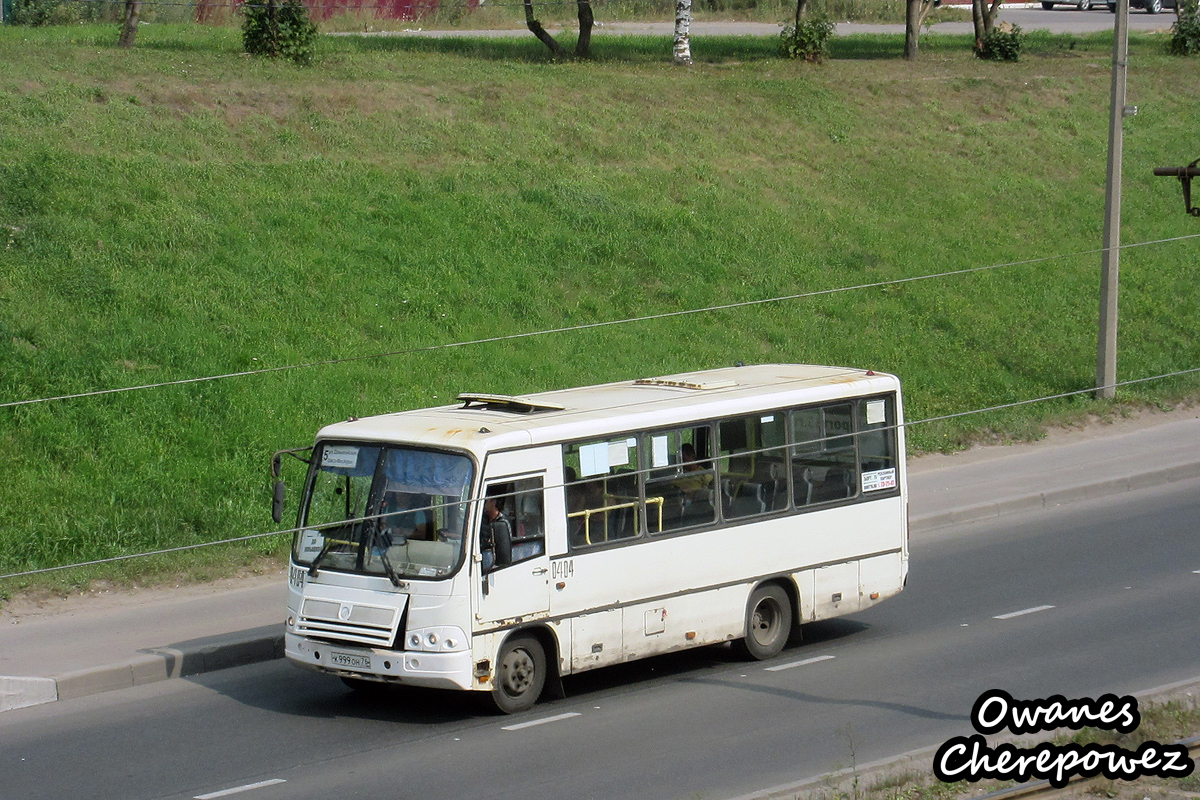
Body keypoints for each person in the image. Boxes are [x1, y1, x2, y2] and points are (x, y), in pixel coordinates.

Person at [481, 486, 513, 568]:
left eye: (485, 502)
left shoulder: (503, 523)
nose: (483, 505)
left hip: (495, 563)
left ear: (493, 502)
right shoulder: (481, 521)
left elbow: (504, 545)